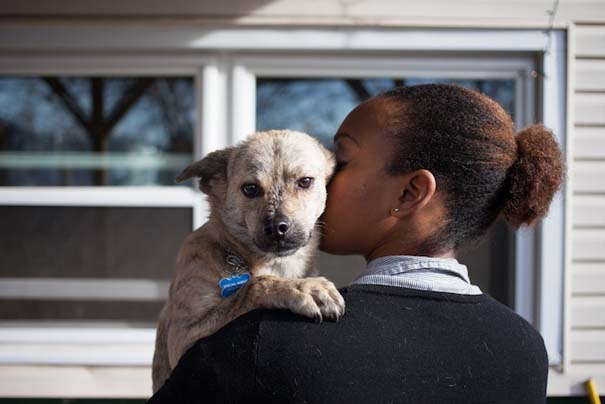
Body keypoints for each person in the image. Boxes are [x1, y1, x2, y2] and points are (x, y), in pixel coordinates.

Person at [147, 84, 564, 404]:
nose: (331, 179)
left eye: (340, 163)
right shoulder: (525, 348)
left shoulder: (265, 336)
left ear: (409, 193)